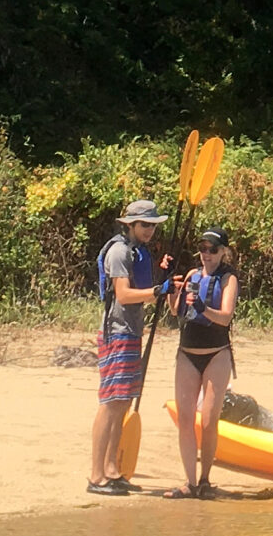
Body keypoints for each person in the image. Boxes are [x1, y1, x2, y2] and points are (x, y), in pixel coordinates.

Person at [87, 199, 169, 496]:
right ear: (130, 225)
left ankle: (111, 469)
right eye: (145, 225)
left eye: (152, 225)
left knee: (122, 403)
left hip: (132, 332)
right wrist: (157, 291)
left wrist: (160, 280)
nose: (149, 230)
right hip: (117, 333)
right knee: (110, 403)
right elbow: (122, 295)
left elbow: (140, 287)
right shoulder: (120, 251)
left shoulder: (140, 252)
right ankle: (96, 476)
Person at [167, 225, 240, 497]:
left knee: (208, 421)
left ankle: (206, 479)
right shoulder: (192, 275)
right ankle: (190, 482)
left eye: (212, 250)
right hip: (187, 353)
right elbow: (176, 310)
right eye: (203, 249)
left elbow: (225, 317)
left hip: (216, 354)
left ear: (223, 252)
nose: (206, 255)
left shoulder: (227, 279)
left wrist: (203, 308)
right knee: (186, 420)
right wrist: (170, 285)